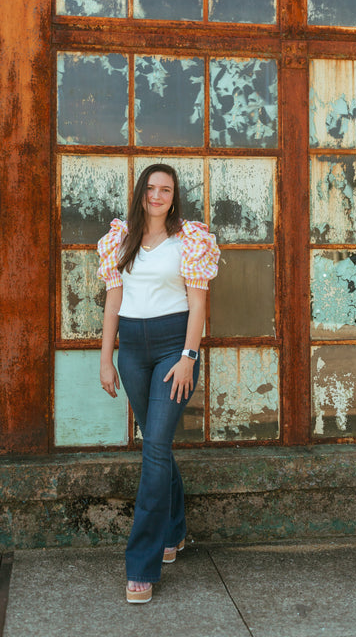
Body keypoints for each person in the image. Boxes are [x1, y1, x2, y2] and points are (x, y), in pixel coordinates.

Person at [97, 163, 220, 604]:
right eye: (150, 188)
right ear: (141, 192)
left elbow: (198, 302)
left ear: (174, 195)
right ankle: (176, 529)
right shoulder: (121, 238)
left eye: (165, 189)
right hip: (131, 347)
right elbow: (114, 299)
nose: (157, 195)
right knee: (157, 444)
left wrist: (189, 356)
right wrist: (106, 357)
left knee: (153, 451)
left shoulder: (189, 239)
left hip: (173, 347)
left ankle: (141, 566)